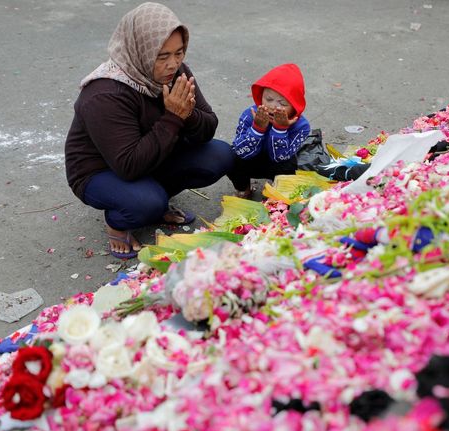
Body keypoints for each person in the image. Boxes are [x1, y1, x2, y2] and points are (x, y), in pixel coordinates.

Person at [64, 2, 234, 259]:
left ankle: (156, 201)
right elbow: (128, 165)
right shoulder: (105, 93)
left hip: (152, 155)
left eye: (179, 53)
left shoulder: (176, 73)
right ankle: (118, 219)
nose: (173, 64)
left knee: (219, 155)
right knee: (145, 203)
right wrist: (173, 117)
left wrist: (187, 115)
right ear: (140, 50)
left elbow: (207, 127)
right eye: (162, 56)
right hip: (100, 171)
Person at [228, 63, 311, 198]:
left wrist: (280, 129)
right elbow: (240, 151)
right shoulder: (249, 115)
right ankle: (244, 188)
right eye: (268, 99)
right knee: (231, 157)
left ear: (295, 106)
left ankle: (277, 192)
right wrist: (257, 128)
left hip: (278, 163)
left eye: (282, 103)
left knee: (289, 167)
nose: (273, 106)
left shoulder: (301, 126)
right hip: (251, 158)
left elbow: (280, 158)